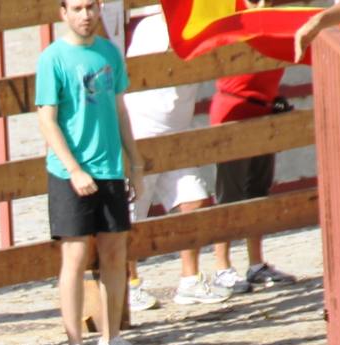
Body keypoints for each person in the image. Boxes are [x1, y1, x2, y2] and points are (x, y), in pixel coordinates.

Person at [36, 0, 145, 345]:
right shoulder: (53, 58)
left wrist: (135, 162)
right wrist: (73, 169)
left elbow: (120, 109)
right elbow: (47, 119)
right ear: (63, 13)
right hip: (70, 172)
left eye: (91, 7)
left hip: (110, 167)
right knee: (76, 255)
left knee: (115, 253)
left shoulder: (109, 53)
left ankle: (111, 340)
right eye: (78, 8)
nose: (86, 15)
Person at [122, 8, 238, 310]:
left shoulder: (202, 25)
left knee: (194, 201)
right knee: (132, 212)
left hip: (177, 132)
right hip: (142, 131)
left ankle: (189, 280)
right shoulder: (150, 27)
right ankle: (129, 284)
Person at [208, 4, 299, 292]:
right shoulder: (234, 19)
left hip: (262, 110)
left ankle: (256, 263)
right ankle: (221, 266)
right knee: (230, 195)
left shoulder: (276, 20)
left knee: (258, 191)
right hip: (233, 110)